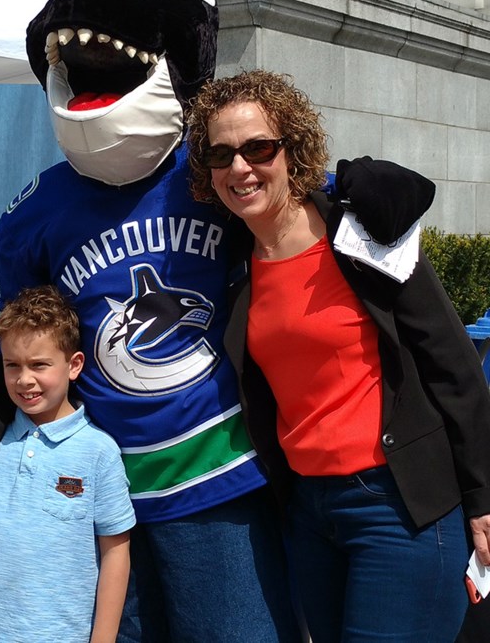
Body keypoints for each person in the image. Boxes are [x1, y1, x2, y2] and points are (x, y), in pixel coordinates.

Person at [186, 69, 490, 641]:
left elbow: (452, 362)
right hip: (308, 512)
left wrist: (483, 496)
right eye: (221, 155)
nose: (240, 168)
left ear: (292, 149)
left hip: (399, 506)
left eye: (258, 148)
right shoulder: (231, 265)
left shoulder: (363, 233)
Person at [0, 285, 135, 643]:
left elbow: (116, 552)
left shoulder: (99, 452)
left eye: (39, 365)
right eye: (13, 365)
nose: (24, 379)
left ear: (74, 365)